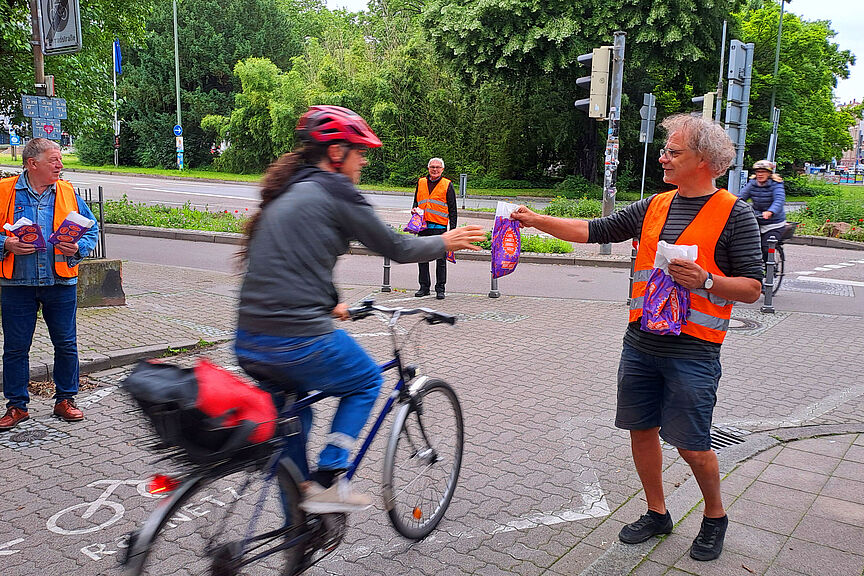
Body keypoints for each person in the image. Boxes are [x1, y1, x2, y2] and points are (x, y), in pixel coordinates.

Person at [511, 115, 763, 562]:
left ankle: (715, 516)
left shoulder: (734, 214)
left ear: (704, 161)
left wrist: (707, 281)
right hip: (642, 342)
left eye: (674, 151)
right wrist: (535, 220)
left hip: (695, 350)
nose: (663, 158)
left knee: (692, 443)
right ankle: (657, 512)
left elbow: (751, 288)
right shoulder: (655, 205)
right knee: (641, 431)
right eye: (666, 150)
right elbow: (592, 230)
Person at [233, 105, 484, 514]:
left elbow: (298, 259)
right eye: (358, 151)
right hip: (296, 338)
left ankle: (298, 525)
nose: (363, 160)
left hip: (249, 340)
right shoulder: (336, 190)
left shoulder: (289, 190)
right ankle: (331, 482)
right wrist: (445, 242)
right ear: (336, 153)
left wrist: (333, 303)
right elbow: (397, 247)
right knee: (366, 380)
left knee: (296, 421)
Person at [0, 138, 100, 431]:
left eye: (60, 160)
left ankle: (65, 400)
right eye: (54, 160)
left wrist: (79, 248)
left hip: (60, 281)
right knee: (16, 348)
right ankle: (17, 406)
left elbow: (91, 228)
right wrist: (6, 243)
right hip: (17, 283)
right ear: (32, 164)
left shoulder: (67, 190)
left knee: (66, 345)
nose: (60, 165)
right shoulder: (5, 191)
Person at [412, 157, 457, 299]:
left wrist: (453, 230)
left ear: (442, 169)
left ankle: (440, 288)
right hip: (423, 227)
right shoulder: (421, 182)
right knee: (422, 258)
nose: (435, 169)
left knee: (441, 260)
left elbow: (452, 209)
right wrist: (413, 210)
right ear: (428, 168)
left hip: (440, 227)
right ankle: (424, 287)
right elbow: (416, 201)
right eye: (432, 167)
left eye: (438, 167)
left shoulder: (447, 184)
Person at [737, 159, 787, 262]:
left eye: (763, 172)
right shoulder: (752, 183)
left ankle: (769, 270)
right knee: (745, 245)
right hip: (757, 221)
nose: (760, 174)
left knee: (766, 246)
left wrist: (771, 211)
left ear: (769, 173)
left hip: (774, 224)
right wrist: (730, 204)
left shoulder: (776, 184)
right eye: (758, 172)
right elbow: (741, 197)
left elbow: (779, 199)